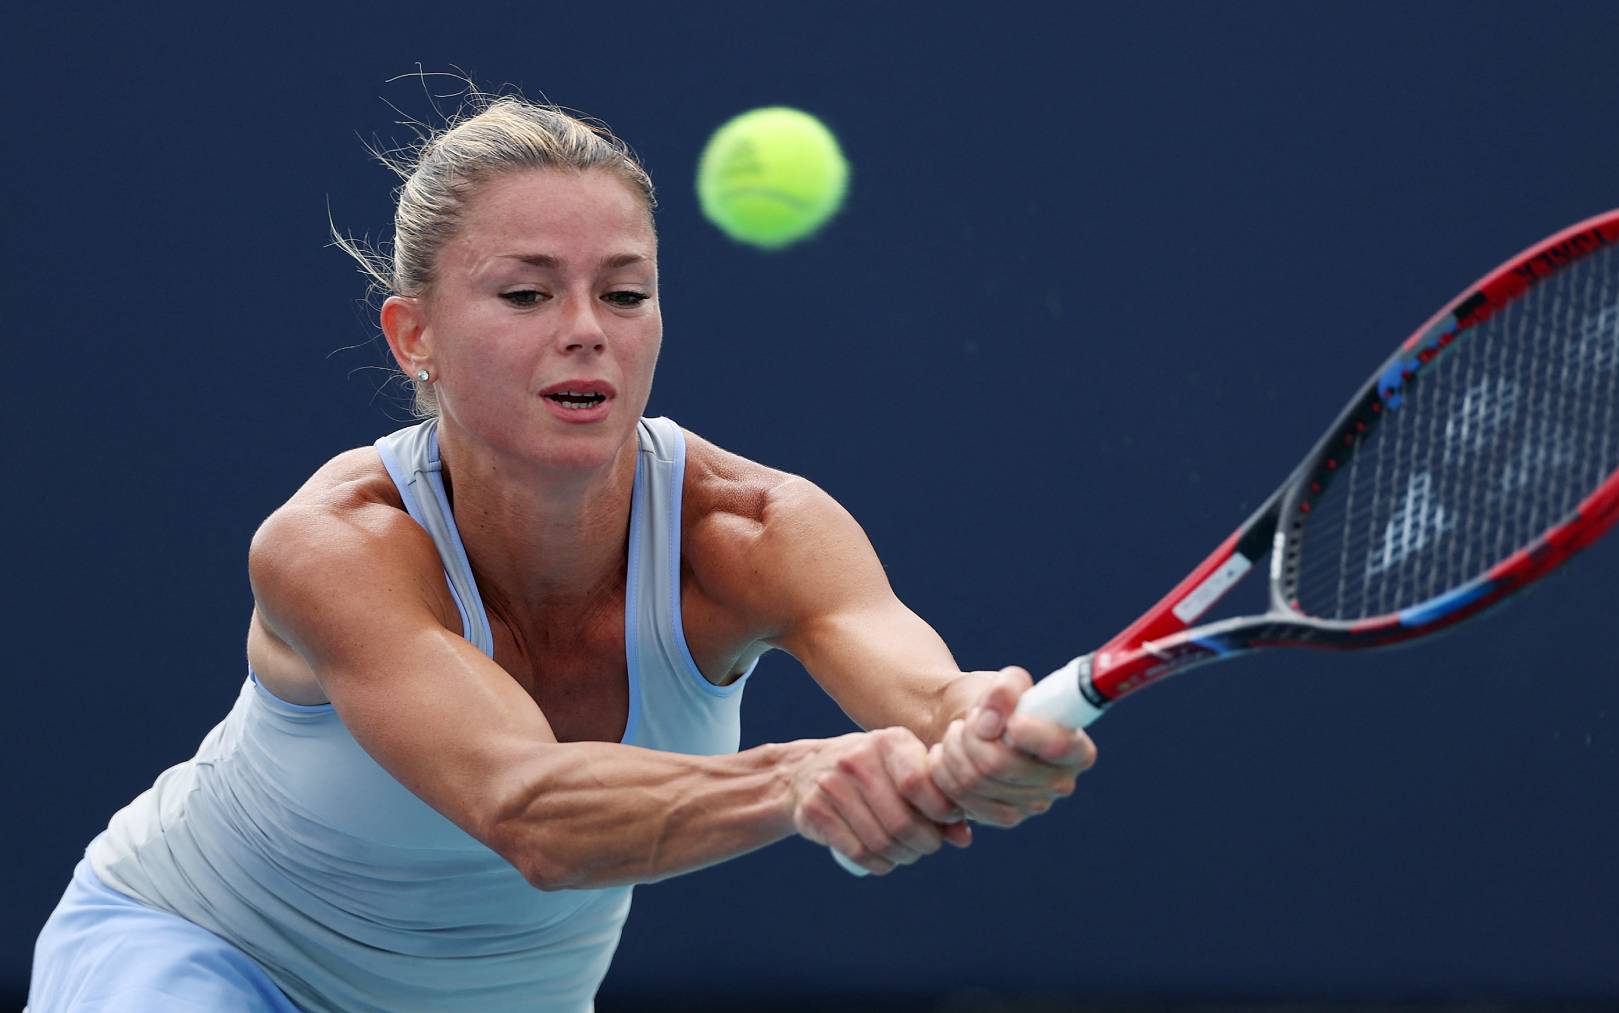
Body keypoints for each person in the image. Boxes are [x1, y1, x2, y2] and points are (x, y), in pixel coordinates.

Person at [28, 94, 1097, 1012]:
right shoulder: (335, 544)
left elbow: (922, 684)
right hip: (205, 954)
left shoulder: (758, 530)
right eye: (527, 293)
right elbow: (527, 811)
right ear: (416, 337)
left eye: (624, 292)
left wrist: (982, 732)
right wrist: (803, 775)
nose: (587, 329)